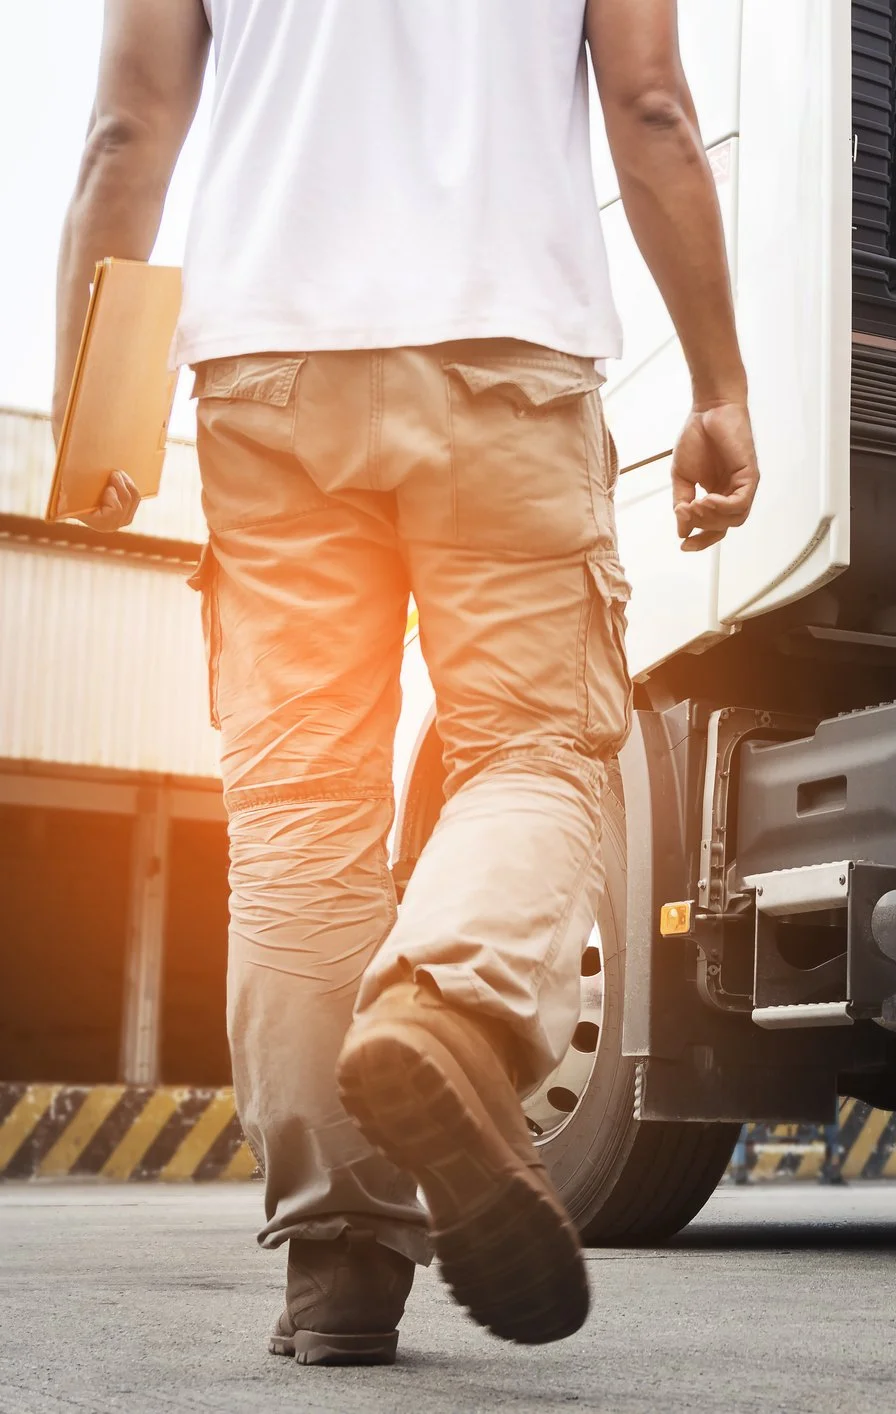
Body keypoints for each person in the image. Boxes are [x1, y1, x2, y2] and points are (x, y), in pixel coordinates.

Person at [54, 0, 759, 1365]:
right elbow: (654, 104)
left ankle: (339, 1261)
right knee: (537, 750)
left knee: (300, 825)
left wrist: (98, 410)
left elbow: (124, 131)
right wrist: (720, 385)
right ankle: (447, 1006)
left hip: (266, 374)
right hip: (506, 363)